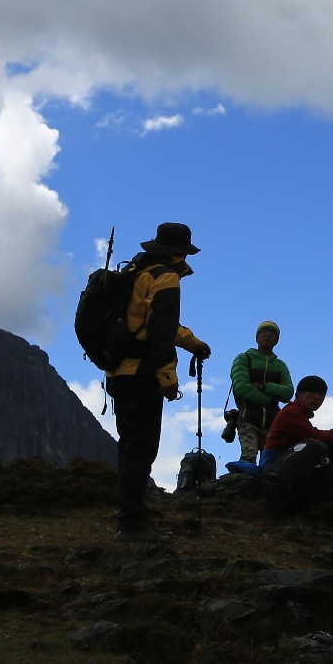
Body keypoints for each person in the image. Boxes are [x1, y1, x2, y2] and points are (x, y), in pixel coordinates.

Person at [106, 221, 211, 542]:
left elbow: (149, 322)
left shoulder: (137, 271)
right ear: (179, 252)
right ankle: (133, 526)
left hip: (118, 371)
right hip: (142, 376)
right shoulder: (164, 277)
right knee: (142, 449)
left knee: (129, 446)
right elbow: (160, 332)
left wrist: (192, 342)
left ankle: (127, 512)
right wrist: (167, 379)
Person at [260, 375, 333, 469]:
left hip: (284, 460)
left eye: (321, 394)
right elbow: (316, 437)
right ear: (299, 394)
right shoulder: (292, 412)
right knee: (318, 446)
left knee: (325, 446)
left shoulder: (299, 414)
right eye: (312, 392)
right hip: (274, 464)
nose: (317, 397)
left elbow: (322, 441)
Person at [227, 321, 292, 463]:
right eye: (264, 331)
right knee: (248, 458)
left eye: (273, 333)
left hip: (273, 424)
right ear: (257, 337)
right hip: (248, 419)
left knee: (271, 464)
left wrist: (262, 386)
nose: (268, 335)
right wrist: (270, 399)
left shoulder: (280, 365)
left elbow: (288, 393)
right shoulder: (244, 358)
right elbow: (242, 388)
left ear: (277, 339)